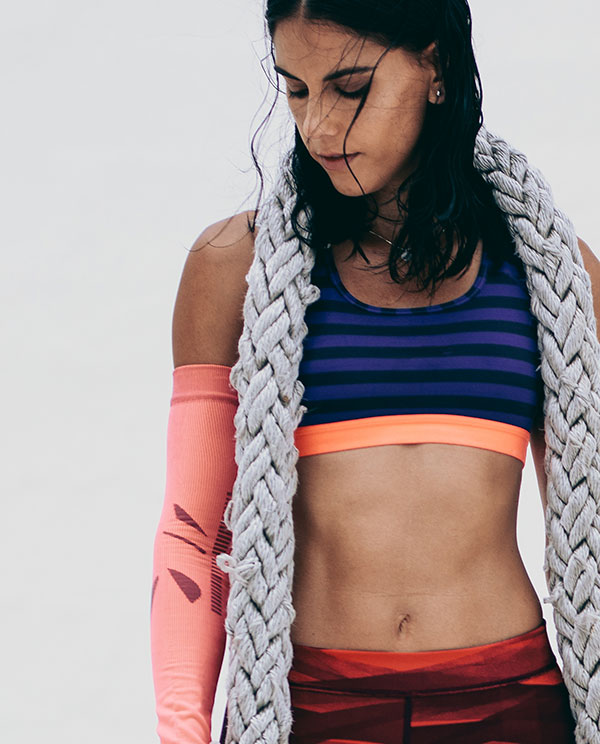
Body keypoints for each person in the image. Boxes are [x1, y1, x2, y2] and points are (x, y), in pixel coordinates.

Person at [151, 1, 600, 743]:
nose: (318, 127)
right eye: (296, 89)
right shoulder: (232, 267)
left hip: (510, 704)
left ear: (435, 67)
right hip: (306, 708)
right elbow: (195, 537)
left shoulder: (553, 277)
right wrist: (181, 730)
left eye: (351, 87)